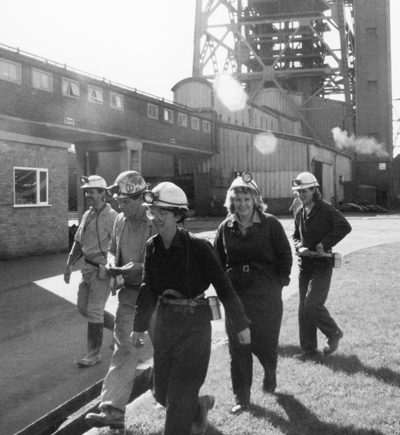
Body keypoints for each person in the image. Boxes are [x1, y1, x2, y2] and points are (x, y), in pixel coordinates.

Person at [132, 182, 251, 435]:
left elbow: (224, 286)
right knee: (161, 393)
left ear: (178, 215)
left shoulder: (199, 248)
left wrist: (240, 324)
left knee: (178, 397)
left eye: (162, 212)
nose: (156, 218)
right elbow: (148, 288)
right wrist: (139, 327)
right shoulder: (152, 246)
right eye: (152, 212)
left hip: (194, 328)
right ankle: (200, 406)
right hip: (165, 326)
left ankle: (184, 415)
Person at [214, 172, 292, 414]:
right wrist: (223, 289)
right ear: (231, 201)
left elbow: (285, 256)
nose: (242, 204)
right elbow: (217, 261)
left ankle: (270, 373)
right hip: (236, 294)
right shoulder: (225, 227)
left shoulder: (271, 224)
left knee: (265, 343)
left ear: (256, 200)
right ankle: (242, 398)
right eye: (237, 199)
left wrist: (277, 283)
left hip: (266, 293)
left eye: (247, 199)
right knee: (238, 348)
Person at [85, 171, 155, 429]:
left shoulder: (155, 221)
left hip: (157, 296)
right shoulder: (120, 221)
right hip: (130, 294)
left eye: (125, 201)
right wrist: (113, 263)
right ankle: (113, 411)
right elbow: (113, 248)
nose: (119, 205)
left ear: (139, 199)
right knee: (124, 347)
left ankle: (191, 407)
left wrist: (135, 267)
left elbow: (160, 262)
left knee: (167, 351)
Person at [291, 172, 352, 361]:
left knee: (312, 303)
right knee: (303, 308)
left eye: (305, 191)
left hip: (322, 265)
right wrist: (299, 246)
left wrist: (324, 243)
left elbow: (344, 226)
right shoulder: (300, 212)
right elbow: (295, 236)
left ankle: (333, 333)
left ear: (314, 190)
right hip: (305, 266)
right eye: (299, 192)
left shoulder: (326, 209)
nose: (302, 195)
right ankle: (308, 350)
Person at [64, 175, 118, 367]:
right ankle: (121, 330)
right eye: (86, 192)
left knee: (94, 312)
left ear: (102, 193)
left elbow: (119, 245)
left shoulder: (112, 217)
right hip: (87, 268)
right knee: (83, 308)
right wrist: (69, 264)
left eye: (92, 192)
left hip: (102, 271)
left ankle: (93, 354)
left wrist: (116, 272)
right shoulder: (88, 215)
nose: (88, 195)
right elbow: (79, 241)